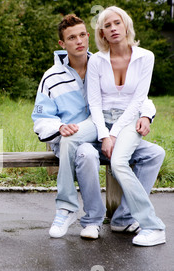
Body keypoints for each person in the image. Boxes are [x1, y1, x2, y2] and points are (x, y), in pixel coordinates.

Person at [32, 14, 165, 243]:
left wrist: (146, 114)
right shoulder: (51, 78)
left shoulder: (101, 63)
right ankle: (86, 216)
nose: (79, 41)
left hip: (109, 130)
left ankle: (123, 218)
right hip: (82, 139)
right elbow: (40, 118)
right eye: (72, 38)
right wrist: (59, 127)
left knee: (155, 154)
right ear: (62, 44)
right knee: (83, 151)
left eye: (82, 35)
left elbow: (131, 96)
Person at [87, 6, 166, 246]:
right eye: (107, 26)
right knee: (156, 153)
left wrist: (115, 133)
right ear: (101, 33)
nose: (112, 29)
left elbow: (138, 101)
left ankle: (153, 226)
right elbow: (94, 102)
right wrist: (104, 134)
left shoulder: (145, 57)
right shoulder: (97, 61)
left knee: (119, 161)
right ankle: (122, 218)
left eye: (116, 23)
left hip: (129, 119)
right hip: (102, 119)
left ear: (126, 25)